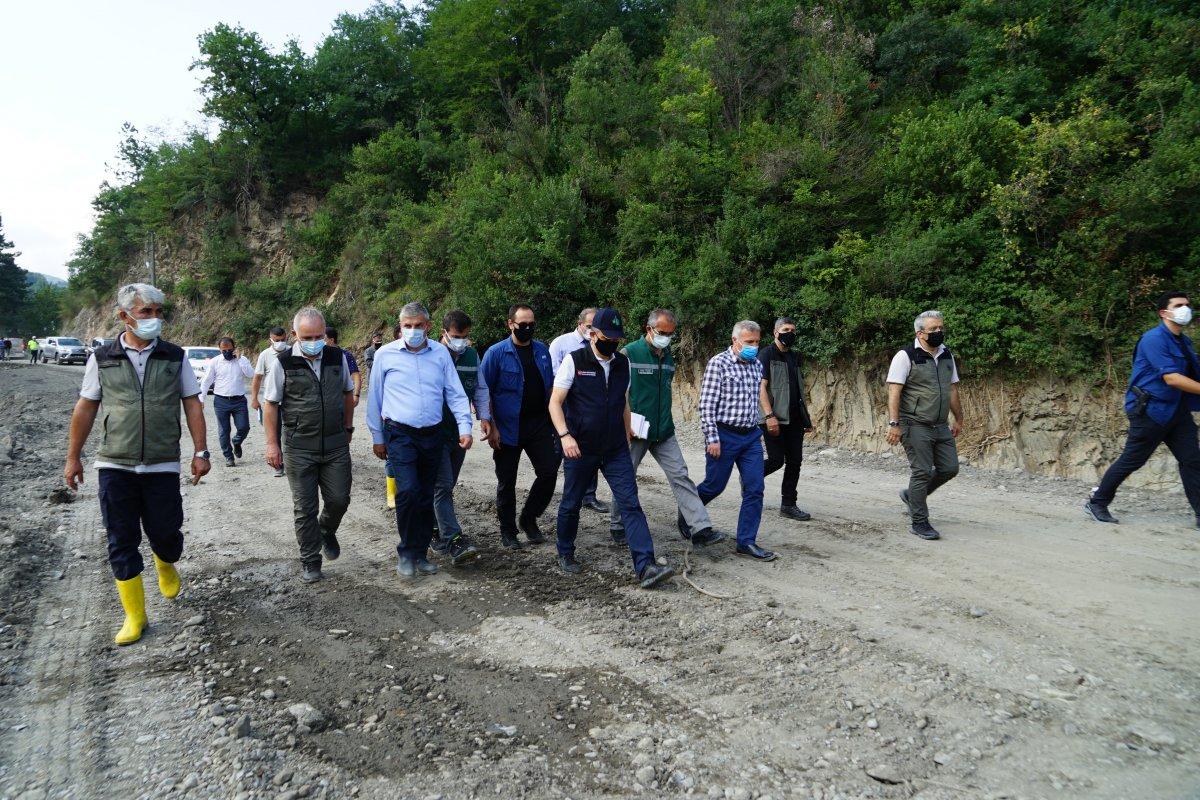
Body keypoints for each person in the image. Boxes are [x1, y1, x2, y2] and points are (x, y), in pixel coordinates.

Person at [62, 283, 211, 645]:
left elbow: (192, 403)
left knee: (166, 533)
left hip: (161, 463)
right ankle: (135, 616)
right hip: (115, 463)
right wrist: (73, 456)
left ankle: (165, 560)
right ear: (124, 316)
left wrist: (200, 451)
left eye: (159, 312)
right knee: (121, 539)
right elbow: (86, 406)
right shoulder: (103, 357)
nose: (154, 319)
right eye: (147, 312)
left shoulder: (174, 357)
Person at [550, 308, 675, 588]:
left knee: (631, 504)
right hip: (580, 447)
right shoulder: (574, 361)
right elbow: (555, 402)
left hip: (615, 448)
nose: (613, 344)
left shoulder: (622, 364)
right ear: (593, 333)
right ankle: (565, 551)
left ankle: (646, 566)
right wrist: (565, 436)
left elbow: (624, 402)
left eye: (617, 340)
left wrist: (628, 431)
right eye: (607, 337)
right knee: (571, 503)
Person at [367, 302, 473, 578]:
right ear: (400, 327)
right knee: (408, 492)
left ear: (427, 326)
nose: (412, 331)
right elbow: (375, 398)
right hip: (400, 434)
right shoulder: (385, 355)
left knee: (426, 494)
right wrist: (378, 437)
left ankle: (422, 554)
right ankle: (406, 552)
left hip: (433, 434)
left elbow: (455, 392)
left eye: (418, 326)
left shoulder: (439, 354)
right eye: (407, 326)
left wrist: (465, 426)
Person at [609, 309, 724, 548]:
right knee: (625, 475)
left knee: (680, 475)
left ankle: (700, 528)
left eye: (671, 334)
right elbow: (619, 394)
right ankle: (618, 525)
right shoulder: (629, 353)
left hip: (663, 430)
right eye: (662, 333)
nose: (667, 338)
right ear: (649, 329)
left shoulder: (669, 355)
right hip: (635, 430)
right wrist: (624, 425)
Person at [1085, 292, 1200, 527]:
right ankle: (1097, 502)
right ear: (1163, 312)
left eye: (1187, 305)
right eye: (1178, 305)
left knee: (1192, 460)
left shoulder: (1183, 341)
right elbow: (1173, 379)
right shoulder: (1154, 339)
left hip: (1177, 411)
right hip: (1151, 411)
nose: (1185, 309)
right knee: (1133, 460)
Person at [263, 308, 355, 582]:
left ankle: (326, 530)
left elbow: (348, 393)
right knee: (305, 507)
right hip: (299, 447)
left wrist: (348, 427)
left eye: (319, 335)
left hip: (336, 444)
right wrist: (272, 444)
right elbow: (270, 405)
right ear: (295, 335)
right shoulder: (283, 362)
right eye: (307, 336)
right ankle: (310, 560)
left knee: (339, 499)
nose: (315, 341)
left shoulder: (337, 357)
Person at [479, 304, 561, 548]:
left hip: (539, 425)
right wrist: (490, 425)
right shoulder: (495, 353)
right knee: (507, 481)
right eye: (522, 324)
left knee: (548, 472)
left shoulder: (542, 351)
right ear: (510, 324)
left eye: (531, 324)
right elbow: (484, 392)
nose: (527, 328)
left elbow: (550, 387)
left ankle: (529, 518)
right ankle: (508, 531)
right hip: (507, 427)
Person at [694, 320, 776, 561]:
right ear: (735, 340)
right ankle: (689, 512)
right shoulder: (718, 364)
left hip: (750, 436)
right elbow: (706, 405)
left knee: (755, 488)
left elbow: (755, 400)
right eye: (749, 342)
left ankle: (746, 541)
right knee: (714, 485)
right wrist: (712, 438)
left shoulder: (756, 365)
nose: (753, 346)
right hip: (724, 434)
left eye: (757, 342)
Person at [885, 310, 963, 541]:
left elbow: (952, 389)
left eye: (941, 328)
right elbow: (894, 390)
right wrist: (894, 424)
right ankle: (919, 522)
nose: (939, 332)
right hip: (914, 423)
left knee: (950, 468)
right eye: (933, 330)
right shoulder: (905, 356)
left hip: (940, 424)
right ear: (920, 333)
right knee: (921, 471)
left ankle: (912, 496)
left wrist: (959, 418)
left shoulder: (946, 354)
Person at [428, 310, 492, 565]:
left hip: (459, 431)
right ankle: (454, 539)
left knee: (447, 485)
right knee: (442, 486)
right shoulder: (430, 353)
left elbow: (480, 387)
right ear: (443, 333)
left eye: (465, 337)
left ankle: (433, 529)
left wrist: (484, 417)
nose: (461, 342)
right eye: (456, 336)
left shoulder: (471, 355)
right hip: (433, 432)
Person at [549, 307, 610, 514]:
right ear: (580, 324)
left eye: (596, 326)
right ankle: (558, 492)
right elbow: (552, 373)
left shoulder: (603, 347)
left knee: (590, 448)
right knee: (561, 451)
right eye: (589, 326)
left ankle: (589, 495)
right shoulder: (561, 344)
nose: (592, 330)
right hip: (564, 403)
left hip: (588, 406)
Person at [758, 317, 816, 521]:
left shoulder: (795, 357)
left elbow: (798, 389)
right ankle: (751, 478)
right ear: (775, 332)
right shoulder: (765, 355)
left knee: (795, 461)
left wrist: (805, 418)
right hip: (774, 418)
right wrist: (769, 415)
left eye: (792, 329)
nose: (789, 333)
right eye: (785, 329)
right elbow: (760, 387)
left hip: (795, 419)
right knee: (775, 460)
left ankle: (788, 504)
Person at [200, 336, 254, 467]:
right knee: (224, 430)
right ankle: (229, 457)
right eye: (223, 350)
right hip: (221, 400)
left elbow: (251, 374)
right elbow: (206, 380)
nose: (226, 352)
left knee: (244, 427)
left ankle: (237, 441)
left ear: (234, 348)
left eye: (229, 350)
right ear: (219, 350)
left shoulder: (242, 360)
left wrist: (240, 359)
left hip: (239, 400)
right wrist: (201, 398)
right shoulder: (215, 362)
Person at [251, 326, 290, 476]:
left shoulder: (293, 352)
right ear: (271, 340)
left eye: (282, 340)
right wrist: (254, 398)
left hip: (291, 401)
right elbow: (257, 378)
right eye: (276, 340)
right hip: (273, 403)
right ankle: (278, 465)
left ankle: (292, 463)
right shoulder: (265, 355)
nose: (280, 342)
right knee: (275, 433)